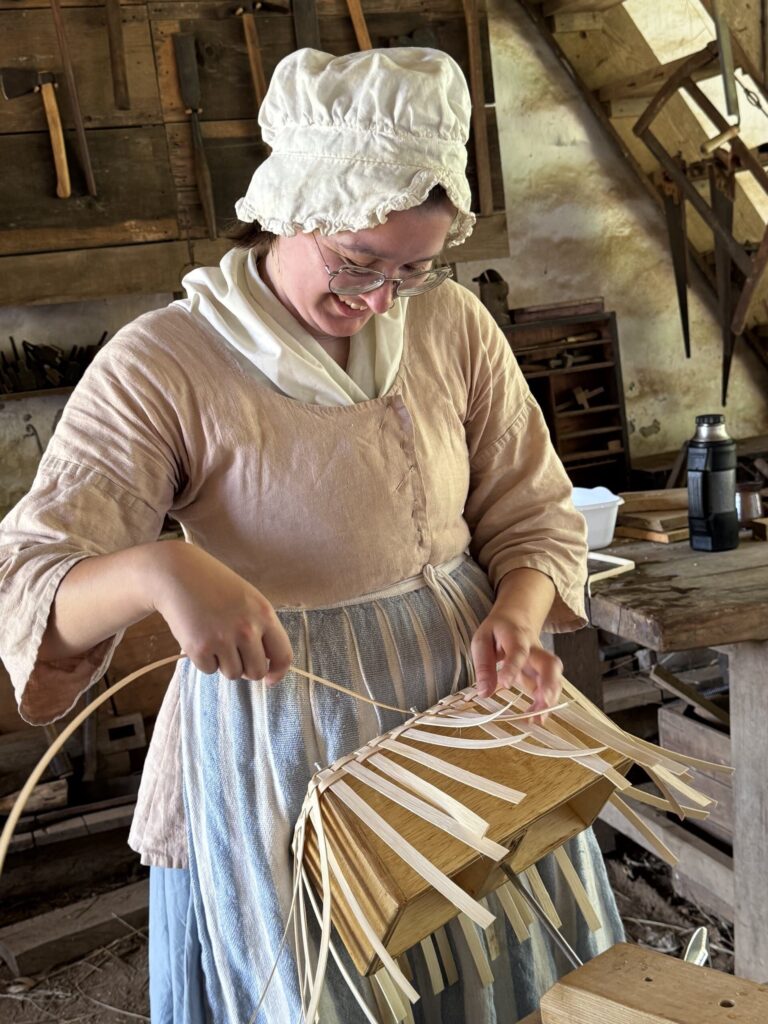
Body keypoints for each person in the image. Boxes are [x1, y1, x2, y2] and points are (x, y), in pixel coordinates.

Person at [0, 47, 623, 1023]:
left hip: (461, 724)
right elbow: (34, 581)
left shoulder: (452, 324)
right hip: (286, 750)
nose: (380, 300)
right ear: (290, 206)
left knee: (502, 977)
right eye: (356, 263)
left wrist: (519, 606)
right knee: (327, 990)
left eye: (413, 268)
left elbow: (531, 505)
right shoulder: (167, 363)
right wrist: (162, 570)